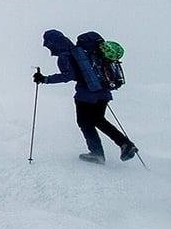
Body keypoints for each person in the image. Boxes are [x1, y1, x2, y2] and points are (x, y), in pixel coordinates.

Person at [34, 29, 138, 164]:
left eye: (48, 44)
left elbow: (68, 76)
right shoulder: (86, 51)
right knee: (99, 120)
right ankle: (125, 144)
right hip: (104, 92)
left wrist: (44, 79)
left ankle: (97, 154)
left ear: (54, 43)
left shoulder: (66, 55)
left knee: (84, 122)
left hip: (86, 95)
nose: (48, 47)